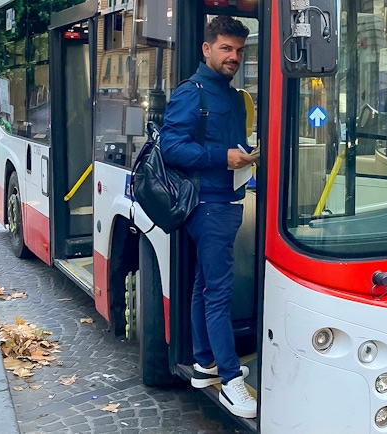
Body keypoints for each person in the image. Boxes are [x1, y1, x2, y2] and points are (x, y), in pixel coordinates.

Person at [159, 16, 257, 419]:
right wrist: (224, 157)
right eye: (226, 49)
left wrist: (250, 157)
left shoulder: (235, 97)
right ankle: (232, 383)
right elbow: (171, 147)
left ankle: (205, 363)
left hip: (228, 201)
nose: (233, 56)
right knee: (218, 292)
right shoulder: (192, 93)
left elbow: (234, 147)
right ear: (207, 48)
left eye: (238, 51)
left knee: (204, 287)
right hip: (208, 206)